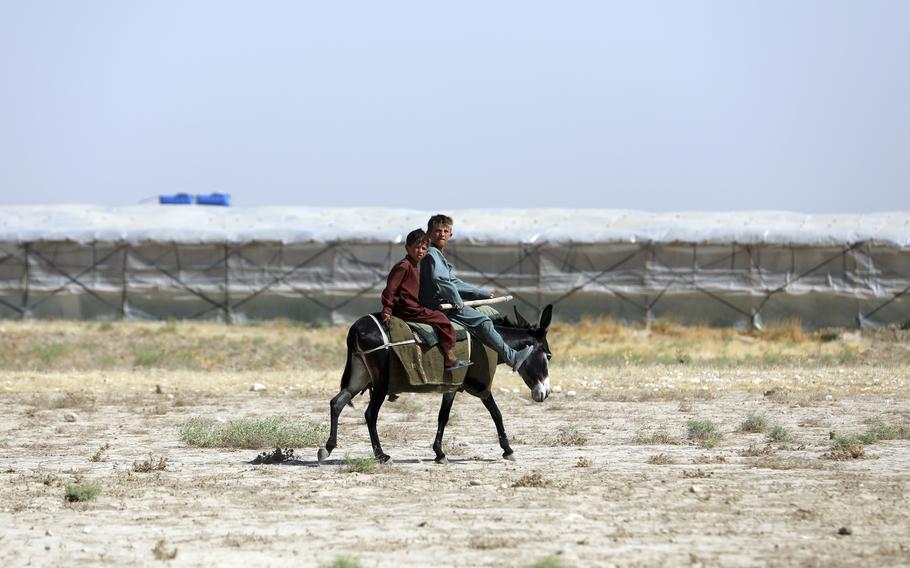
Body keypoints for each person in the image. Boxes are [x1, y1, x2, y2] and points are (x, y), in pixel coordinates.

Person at [419, 214, 534, 371]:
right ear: (429, 234)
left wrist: (480, 294)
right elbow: (442, 281)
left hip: (444, 302)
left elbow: (453, 282)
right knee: (484, 322)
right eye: (438, 231)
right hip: (439, 305)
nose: (442, 234)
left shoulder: (437, 255)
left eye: (446, 231)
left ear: (451, 235)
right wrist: (456, 299)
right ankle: (512, 358)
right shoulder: (432, 253)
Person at [380, 228, 472, 370]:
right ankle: (449, 356)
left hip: (411, 306)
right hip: (408, 309)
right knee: (442, 320)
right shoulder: (404, 266)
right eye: (416, 247)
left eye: (424, 248)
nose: (420, 251)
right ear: (407, 248)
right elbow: (390, 289)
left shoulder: (414, 266)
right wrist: (387, 309)